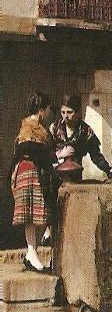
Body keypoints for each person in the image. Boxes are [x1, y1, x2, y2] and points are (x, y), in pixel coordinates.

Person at [10, 92, 55, 272]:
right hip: (28, 170)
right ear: (41, 109)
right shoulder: (30, 126)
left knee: (40, 213)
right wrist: (54, 156)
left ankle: (32, 253)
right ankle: (31, 252)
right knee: (31, 214)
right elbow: (27, 148)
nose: (50, 112)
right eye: (49, 109)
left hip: (34, 170)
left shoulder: (36, 126)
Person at [49, 94, 112, 184]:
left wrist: (109, 170)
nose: (65, 116)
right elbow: (46, 153)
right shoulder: (54, 128)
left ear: (77, 113)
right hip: (55, 175)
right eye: (63, 112)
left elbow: (96, 156)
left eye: (69, 112)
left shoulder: (86, 131)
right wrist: (60, 154)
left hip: (75, 176)